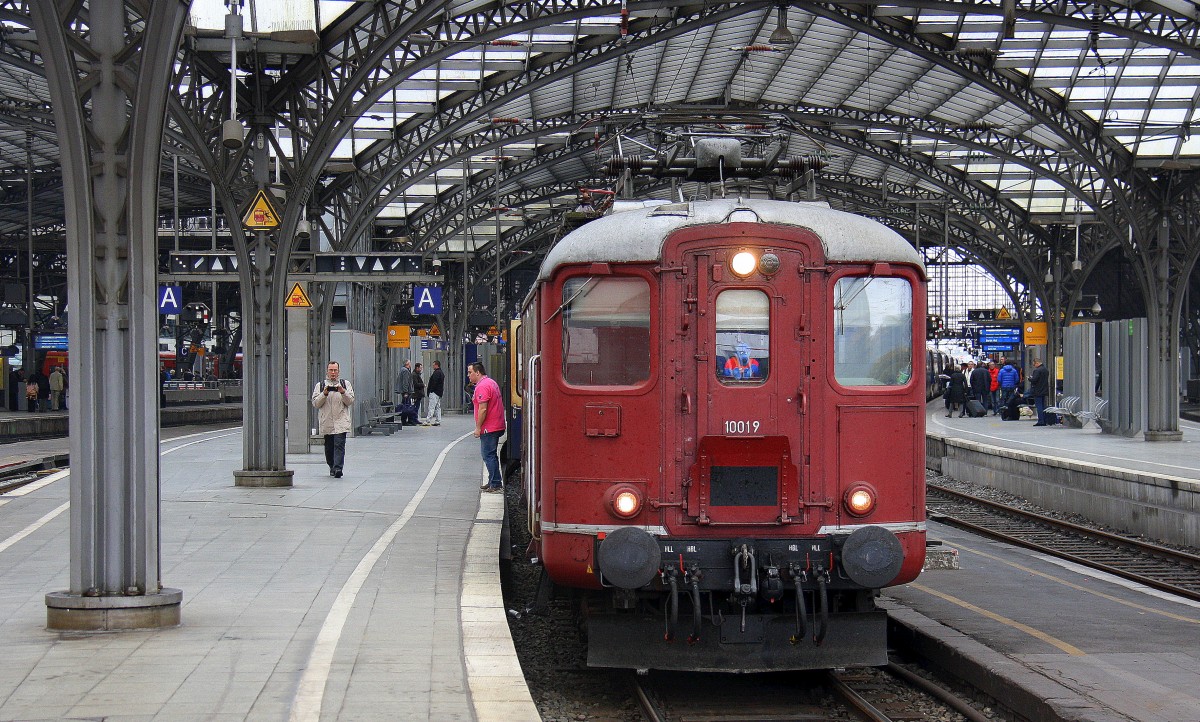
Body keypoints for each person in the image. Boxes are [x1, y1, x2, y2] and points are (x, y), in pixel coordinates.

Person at [312, 361, 355, 478]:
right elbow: (316, 403)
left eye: (335, 370)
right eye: (331, 370)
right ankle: (332, 465)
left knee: (339, 445)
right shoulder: (320, 386)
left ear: (338, 371)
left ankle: (338, 468)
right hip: (327, 422)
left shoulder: (345, 384)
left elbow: (350, 401)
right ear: (327, 371)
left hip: (341, 421)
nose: (333, 373)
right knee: (329, 447)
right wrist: (324, 393)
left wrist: (342, 391)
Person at [468, 361, 505, 493]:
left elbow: (483, 409)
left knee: (488, 455)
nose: (469, 375)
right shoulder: (491, 382)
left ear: (478, 372)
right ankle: (492, 480)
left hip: (489, 427)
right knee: (492, 455)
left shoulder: (482, 386)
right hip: (497, 424)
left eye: (470, 372)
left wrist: (478, 427)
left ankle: (495, 483)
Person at [1027, 358, 1050, 426]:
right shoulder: (1045, 370)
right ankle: (1044, 420)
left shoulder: (1037, 370)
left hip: (1038, 390)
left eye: (1034, 364)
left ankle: (1041, 421)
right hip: (1044, 390)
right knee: (1043, 406)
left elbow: (1034, 380)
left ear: (1037, 363)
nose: (1034, 365)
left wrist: (1029, 378)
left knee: (1039, 406)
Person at [423, 360, 444, 426]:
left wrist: (431, 390)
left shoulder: (436, 373)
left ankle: (428, 420)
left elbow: (434, 382)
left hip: (434, 392)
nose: (432, 366)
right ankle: (438, 420)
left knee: (431, 406)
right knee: (438, 407)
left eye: (433, 365)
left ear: (436, 365)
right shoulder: (441, 373)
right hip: (439, 392)